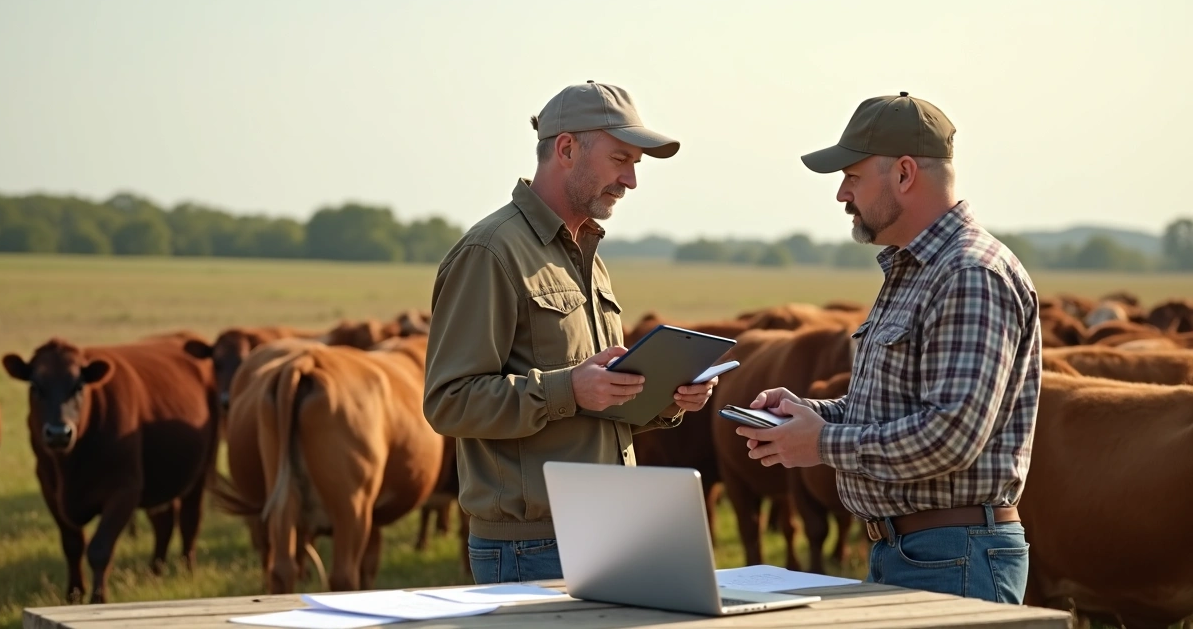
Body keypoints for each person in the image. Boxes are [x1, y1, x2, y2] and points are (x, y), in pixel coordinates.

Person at [734, 92, 1041, 604]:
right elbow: (888, 411)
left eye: (851, 177)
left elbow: (951, 435)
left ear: (903, 174)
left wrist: (822, 443)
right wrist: (807, 414)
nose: (840, 195)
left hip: (952, 554)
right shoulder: (917, 270)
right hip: (921, 550)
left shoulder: (968, 274)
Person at [423, 81, 719, 585]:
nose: (630, 180)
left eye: (635, 165)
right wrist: (569, 388)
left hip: (609, 529)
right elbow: (449, 401)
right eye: (619, 159)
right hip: (530, 546)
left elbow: (594, 407)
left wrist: (668, 398)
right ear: (566, 149)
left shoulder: (588, 258)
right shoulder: (492, 252)